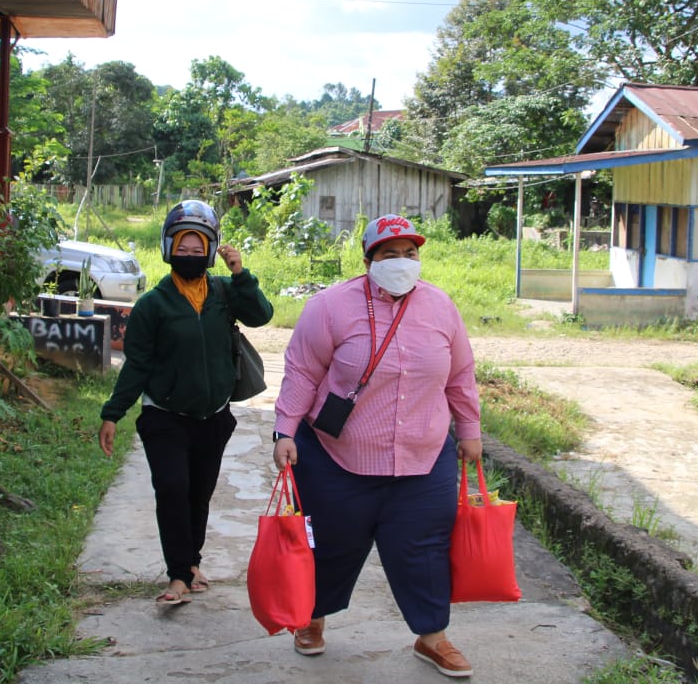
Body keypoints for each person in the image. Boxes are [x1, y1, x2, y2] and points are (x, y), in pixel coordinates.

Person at [272, 213, 483, 678]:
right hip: (337, 457)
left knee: (424, 547)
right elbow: (302, 371)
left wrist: (469, 430)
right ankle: (312, 618)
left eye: (410, 253)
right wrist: (285, 430)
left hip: (423, 458)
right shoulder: (330, 306)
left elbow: (460, 374)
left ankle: (432, 637)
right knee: (331, 544)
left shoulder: (441, 307)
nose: (402, 262)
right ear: (369, 261)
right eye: (390, 254)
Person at [98, 199, 273, 605]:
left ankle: (192, 564)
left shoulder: (224, 292)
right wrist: (112, 413)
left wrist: (241, 274)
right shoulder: (152, 305)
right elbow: (137, 364)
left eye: (198, 249)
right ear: (168, 248)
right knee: (173, 488)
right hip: (165, 415)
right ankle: (178, 575)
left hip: (213, 416)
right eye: (183, 248)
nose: (190, 255)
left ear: (210, 252)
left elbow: (262, 315)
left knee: (198, 494)